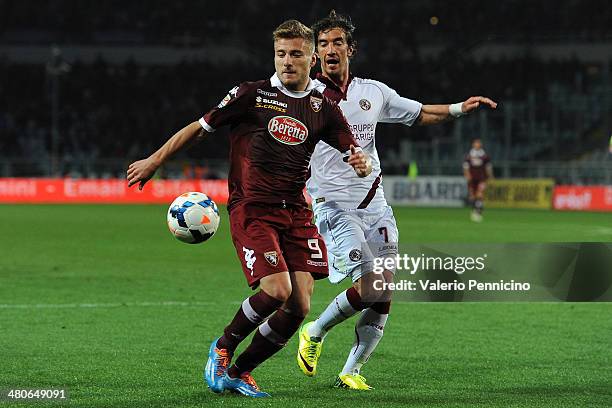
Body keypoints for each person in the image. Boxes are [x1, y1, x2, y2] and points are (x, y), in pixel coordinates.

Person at [126, 19, 371, 398]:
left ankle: (240, 372)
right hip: (253, 208)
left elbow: (350, 147)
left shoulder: (322, 107)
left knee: (299, 306)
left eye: (296, 54)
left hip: (296, 212)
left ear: (312, 58)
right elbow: (200, 127)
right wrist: (155, 160)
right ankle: (223, 348)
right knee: (276, 290)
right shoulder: (250, 95)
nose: (287, 61)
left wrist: (360, 160)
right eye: (280, 54)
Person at [297, 10, 497, 390]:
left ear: (350, 48)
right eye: (322, 44)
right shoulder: (305, 95)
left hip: (376, 206)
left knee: (385, 292)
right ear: (315, 52)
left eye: (337, 42)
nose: (329, 50)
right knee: (372, 287)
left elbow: (419, 112)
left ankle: (351, 371)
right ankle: (315, 331)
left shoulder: (373, 92)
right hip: (335, 209)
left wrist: (458, 108)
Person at [463, 138, 493, 222]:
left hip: (482, 178)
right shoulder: (469, 155)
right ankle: (476, 209)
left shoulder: (484, 156)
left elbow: (488, 167)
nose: (477, 144)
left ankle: (478, 211)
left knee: (480, 194)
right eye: (476, 143)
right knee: (473, 196)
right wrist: (467, 175)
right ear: (473, 144)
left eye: (478, 143)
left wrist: (490, 176)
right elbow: (465, 167)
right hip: (472, 178)